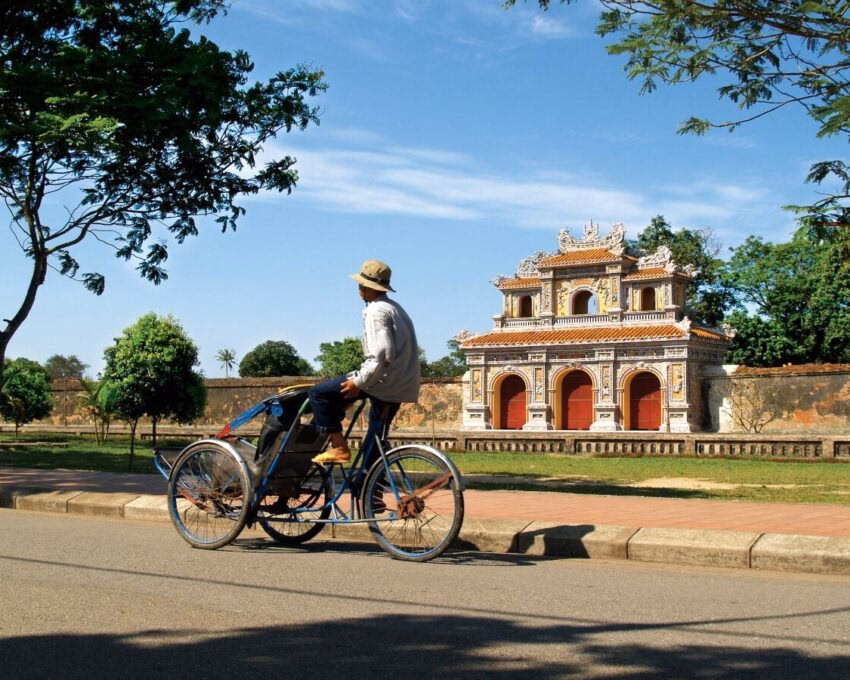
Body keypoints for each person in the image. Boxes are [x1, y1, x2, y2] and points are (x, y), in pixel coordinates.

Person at [308, 259, 420, 467]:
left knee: (319, 394)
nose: (358, 288)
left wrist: (358, 383)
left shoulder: (375, 311)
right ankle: (371, 493)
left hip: (384, 382)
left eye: (360, 284)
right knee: (375, 439)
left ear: (366, 286)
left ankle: (340, 447)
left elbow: (381, 355)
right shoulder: (396, 308)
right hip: (402, 383)